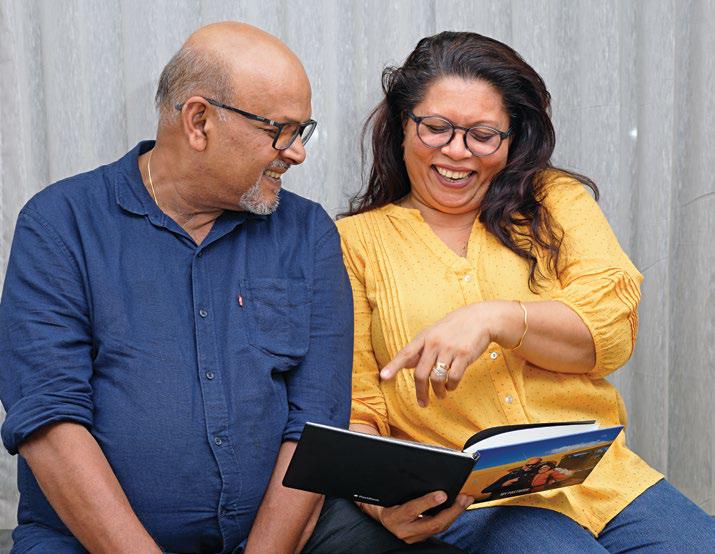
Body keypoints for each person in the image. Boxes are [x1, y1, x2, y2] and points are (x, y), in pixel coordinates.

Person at [332, 31, 715, 552]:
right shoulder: (356, 242)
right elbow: (359, 406)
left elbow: (610, 331)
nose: (456, 151)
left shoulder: (555, 201)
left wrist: (496, 318)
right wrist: (377, 501)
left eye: (483, 134)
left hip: (603, 479)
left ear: (512, 139)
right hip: (473, 503)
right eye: (436, 128)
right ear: (404, 125)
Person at [0, 22, 355, 553]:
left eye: (303, 131)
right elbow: (49, 422)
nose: (297, 153)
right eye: (280, 130)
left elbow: (316, 424)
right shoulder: (60, 224)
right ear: (199, 121)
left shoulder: (307, 234)